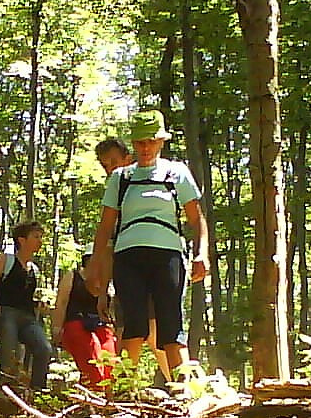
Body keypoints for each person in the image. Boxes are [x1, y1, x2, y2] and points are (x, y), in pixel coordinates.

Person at [89, 109, 209, 379]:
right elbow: (106, 226)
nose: (145, 148)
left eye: (151, 141)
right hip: (128, 257)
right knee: (133, 323)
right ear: (133, 144)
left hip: (168, 255)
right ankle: (125, 393)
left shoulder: (176, 172)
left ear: (161, 142)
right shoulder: (121, 179)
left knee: (170, 324)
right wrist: (95, 267)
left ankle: (184, 391)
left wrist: (202, 254)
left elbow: (196, 219)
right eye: (140, 142)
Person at [0, 220, 53, 391]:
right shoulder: (6, 260)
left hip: (28, 318)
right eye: (36, 237)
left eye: (41, 237)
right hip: (6, 313)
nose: (40, 241)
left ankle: (38, 391)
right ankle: (6, 390)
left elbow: (25, 296)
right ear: (22, 240)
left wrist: (39, 305)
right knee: (8, 351)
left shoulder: (34, 269)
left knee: (43, 348)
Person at [52, 251, 117, 389]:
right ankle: (93, 397)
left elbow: (110, 311)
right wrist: (57, 327)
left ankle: (107, 399)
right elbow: (62, 302)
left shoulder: (107, 285)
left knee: (110, 363)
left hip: (101, 326)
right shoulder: (73, 277)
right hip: (76, 323)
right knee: (92, 360)